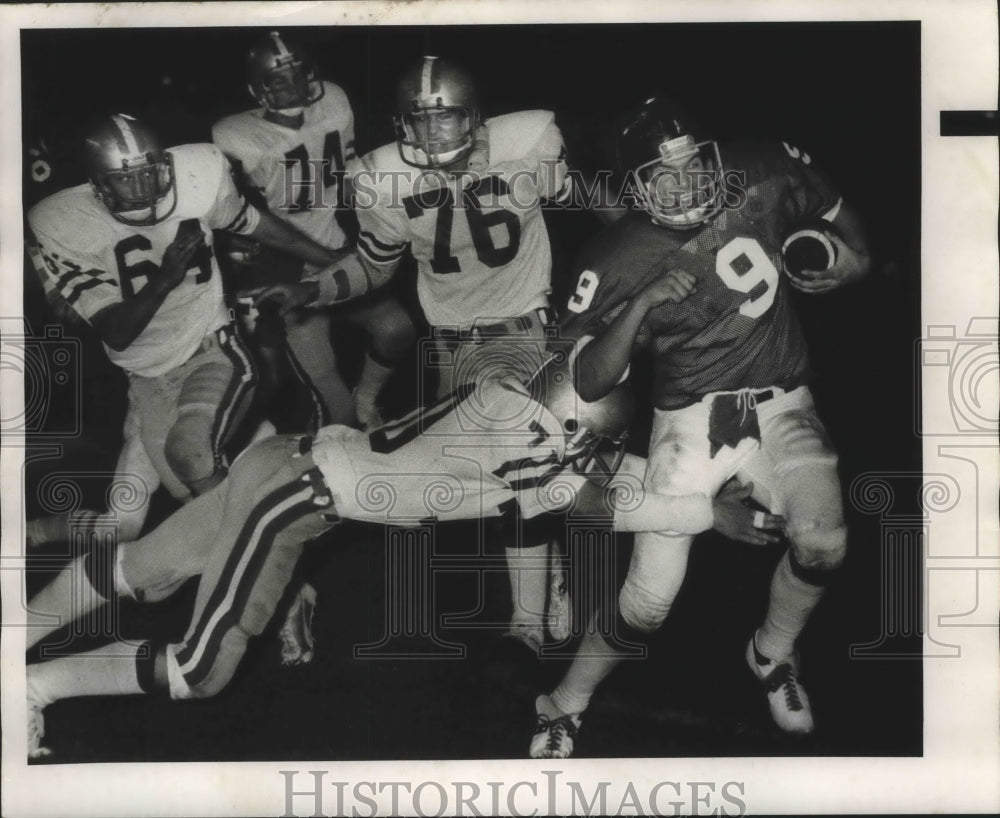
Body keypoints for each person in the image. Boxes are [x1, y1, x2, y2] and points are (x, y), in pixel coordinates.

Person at [24, 342, 780, 759]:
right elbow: (586, 499)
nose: (593, 453)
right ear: (569, 427)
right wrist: (702, 512)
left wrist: (699, 495)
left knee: (142, 564)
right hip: (298, 497)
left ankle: (15, 633)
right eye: (588, 442)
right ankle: (32, 690)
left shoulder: (522, 403)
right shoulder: (531, 436)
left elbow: (592, 471)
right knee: (200, 670)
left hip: (287, 463)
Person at [529, 96, 872, 758]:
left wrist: (855, 261)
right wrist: (636, 310)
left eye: (694, 168)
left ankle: (772, 653)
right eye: (664, 177)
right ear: (637, 189)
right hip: (689, 412)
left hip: (783, 400)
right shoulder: (617, 257)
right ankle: (564, 702)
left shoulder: (762, 172)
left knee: (824, 541)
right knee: (649, 600)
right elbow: (589, 381)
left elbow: (844, 224)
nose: (685, 186)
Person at [258, 55, 578, 661]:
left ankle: (528, 619)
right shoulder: (382, 178)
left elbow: (580, 203)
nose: (435, 134)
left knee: (512, 457)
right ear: (403, 125)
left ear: (474, 118)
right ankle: (551, 570)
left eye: (449, 119)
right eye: (422, 122)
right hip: (451, 343)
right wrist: (315, 288)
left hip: (519, 330)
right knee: (497, 476)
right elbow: (376, 263)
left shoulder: (528, 141)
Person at [25, 112, 342, 544]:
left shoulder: (199, 180)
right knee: (128, 523)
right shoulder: (65, 221)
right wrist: (165, 277)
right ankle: (39, 531)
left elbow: (258, 225)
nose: (143, 189)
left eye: (151, 173)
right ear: (99, 186)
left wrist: (335, 261)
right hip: (146, 384)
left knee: (208, 475)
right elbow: (116, 332)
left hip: (208, 355)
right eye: (125, 179)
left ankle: (282, 589)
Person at [212, 31, 415, 430]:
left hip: (337, 247)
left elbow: (350, 179)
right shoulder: (234, 137)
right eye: (278, 80)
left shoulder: (334, 102)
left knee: (397, 330)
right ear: (258, 89)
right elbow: (237, 222)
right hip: (280, 268)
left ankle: (367, 400)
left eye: (299, 73)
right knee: (325, 392)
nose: (295, 87)